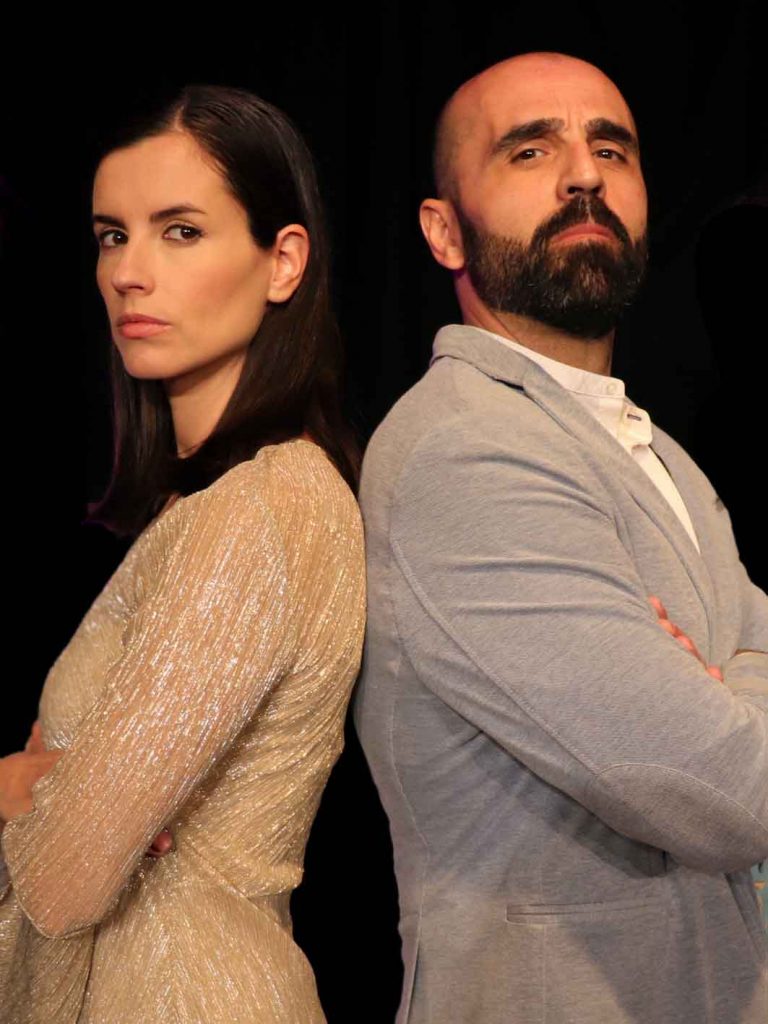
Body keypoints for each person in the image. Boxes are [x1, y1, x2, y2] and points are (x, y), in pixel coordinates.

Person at [354, 52, 768, 1024]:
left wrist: (723, 686)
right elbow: (725, 787)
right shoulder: (462, 448)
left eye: (611, 149)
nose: (585, 174)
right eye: (530, 150)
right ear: (443, 230)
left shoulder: (663, 453)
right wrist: (727, 690)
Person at [0, 85, 366, 1023]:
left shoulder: (262, 509)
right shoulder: (207, 506)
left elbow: (67, 874)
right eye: (111, 235)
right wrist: (53, 790)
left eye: (181, 232)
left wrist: (21, 784)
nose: (129, 272)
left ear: (284, 261)